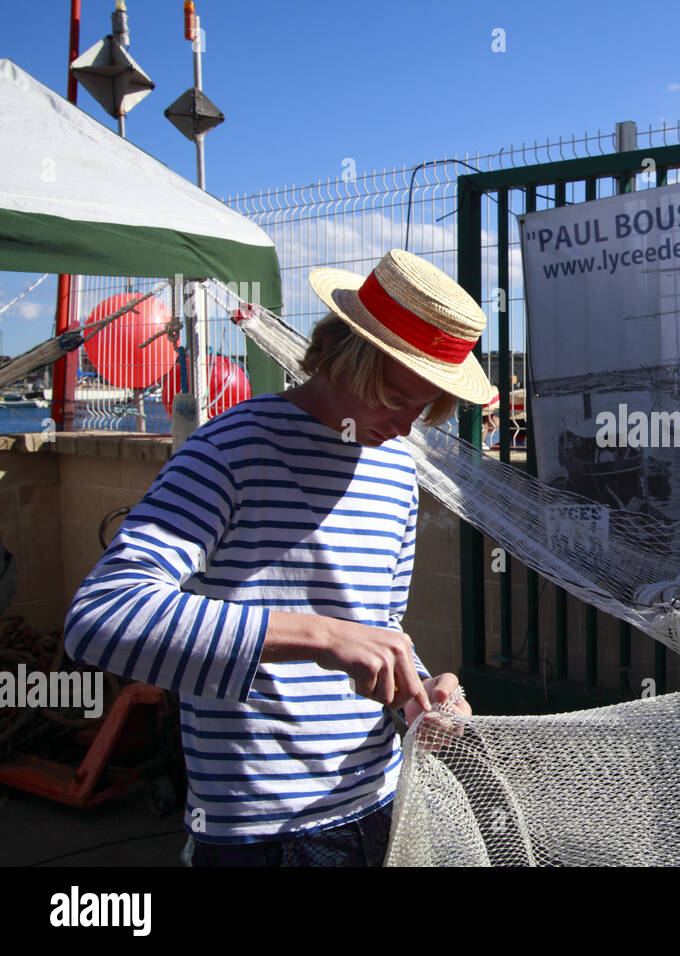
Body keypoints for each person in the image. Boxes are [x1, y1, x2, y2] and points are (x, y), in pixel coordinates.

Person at [64, 249, 495, 866]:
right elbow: (101, 620)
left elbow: (377, 630)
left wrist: (421, 693)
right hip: (261, 832)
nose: (406, 428)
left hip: (381, 802)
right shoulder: (231, 449)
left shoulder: (398, 468)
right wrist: (319, 636)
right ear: (347, 357)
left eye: (425, 408)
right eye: (397, 398)